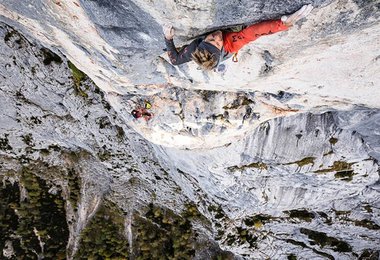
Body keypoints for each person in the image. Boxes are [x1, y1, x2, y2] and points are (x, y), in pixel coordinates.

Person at [163, 4, 313, 71]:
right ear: (221, 48)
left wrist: (168, 38)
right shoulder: (230, 45)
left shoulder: (193, 50)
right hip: (224, 53)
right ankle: (219, 66)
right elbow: (254, 32)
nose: (216, 36)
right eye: (217, 42)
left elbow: (174, 60)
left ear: (202, 42)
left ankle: (214, 66)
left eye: (210, 39)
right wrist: (283, 24)